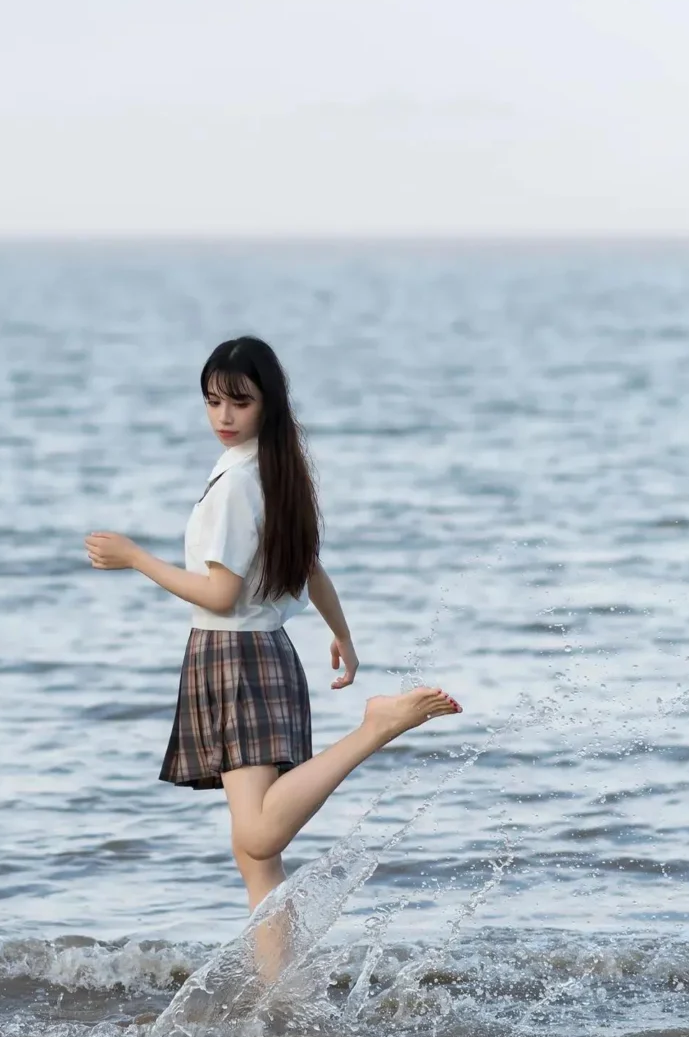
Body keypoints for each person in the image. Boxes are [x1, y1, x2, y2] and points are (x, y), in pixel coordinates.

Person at [85, 336, 460, 917]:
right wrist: (344, 634)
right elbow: (307, 566)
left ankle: (376, 727)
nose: (224, 417)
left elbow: (220, 592)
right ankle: (279, 992)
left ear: (269, 403)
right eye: (213, 402)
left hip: (236, 657)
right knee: (257, 860)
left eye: (240, 402)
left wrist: (136, 558)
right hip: (256, 654)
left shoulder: (238, 483)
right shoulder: (267, 469)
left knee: (258, 838)